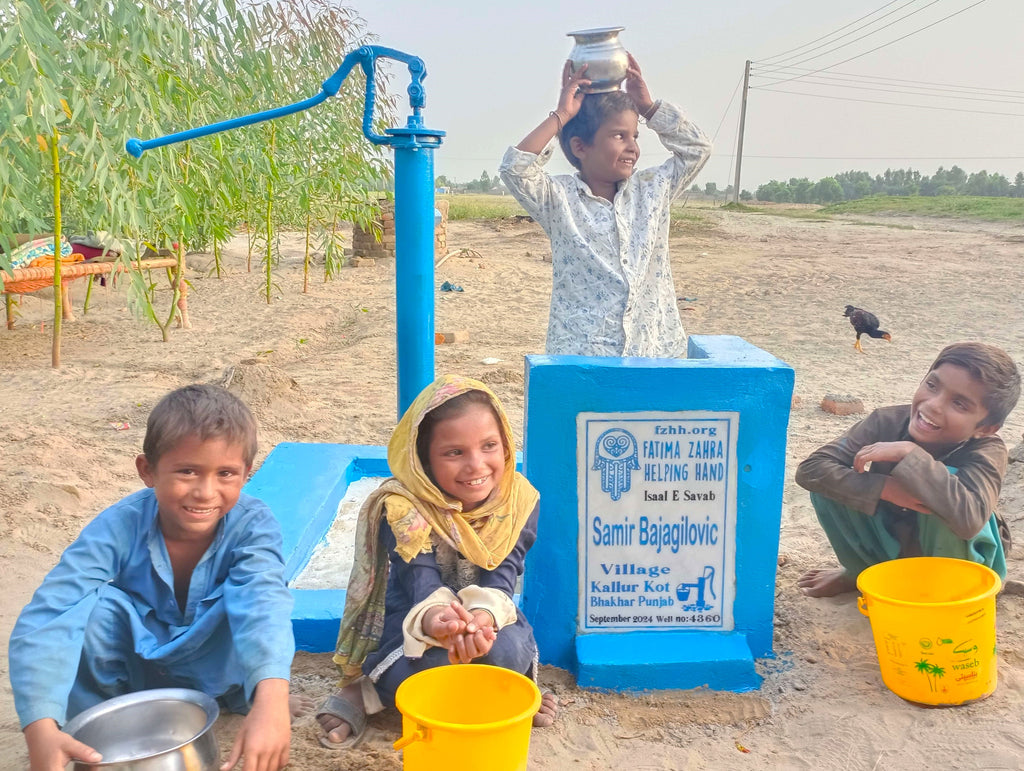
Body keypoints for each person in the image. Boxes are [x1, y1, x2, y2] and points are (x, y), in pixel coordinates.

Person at [9, 384, 300, 771]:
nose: (205, 492)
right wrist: (39, 728)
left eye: (225, 473)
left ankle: (247, 697)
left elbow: (263, 603)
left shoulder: (253, 524)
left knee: (247, 607)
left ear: (247, 474)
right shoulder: (119, 524)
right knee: (95, 610)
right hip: (141, 670)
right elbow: (51, 611)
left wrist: (272, 699)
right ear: (147, 471)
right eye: (187, 471)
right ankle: (96, 727)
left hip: (218, 661)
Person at [315, 374, 558, 748]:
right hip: (417, 614)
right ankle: (364, 692)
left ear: (506, 447)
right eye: (454, 452)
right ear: (423, 460)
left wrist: (483, 621)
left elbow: (503, 576)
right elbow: (420, 581)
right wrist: (437, 621)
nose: (476, 466)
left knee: (505, 653)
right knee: (432, 667)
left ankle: (505, 685)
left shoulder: (518, 501)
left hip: (489, 616)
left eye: (489, 446)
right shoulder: (403, 508)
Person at [499, 54, 712, 358]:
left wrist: (649, 108)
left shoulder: (652, 189)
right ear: (580, 147)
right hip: (583, 355)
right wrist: (562, 116)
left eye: (634, 136)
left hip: (652, 350)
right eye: (618, 135)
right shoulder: (558, 199)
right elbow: (515, 169)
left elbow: (698, 150)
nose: (632, 147)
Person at [795, 342, 1021, 597]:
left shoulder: (988, 449)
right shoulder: (886, 421)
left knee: (944, 490)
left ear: (986, 427)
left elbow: (969, 520)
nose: (934, 404)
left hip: (960, 566)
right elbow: (811, 469)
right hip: (895, 540)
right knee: (829, 483)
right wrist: (886, 488)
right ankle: (860, 571)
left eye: (959, 404)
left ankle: (944, 595)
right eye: (932, 385)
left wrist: (910, 455)